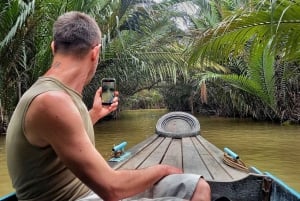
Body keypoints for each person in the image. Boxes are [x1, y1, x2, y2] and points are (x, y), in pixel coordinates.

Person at [6, 11, 211, 201]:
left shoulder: (56, 93)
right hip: (83, 196)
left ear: (53, 47)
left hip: (89, 191)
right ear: (95, 52)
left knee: (197, 187)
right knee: (190, 189)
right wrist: (162, 169)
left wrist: (95, 114)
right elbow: (111, 189)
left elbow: (63, 137)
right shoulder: (52, 101)